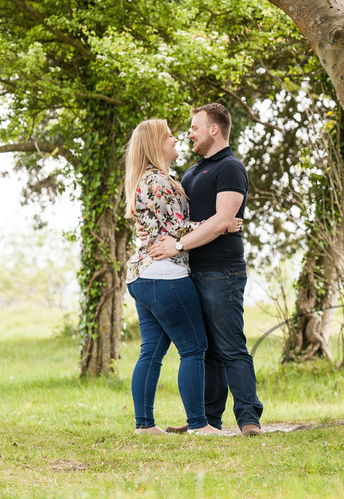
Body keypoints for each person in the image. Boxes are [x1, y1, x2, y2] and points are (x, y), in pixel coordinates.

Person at [146, 103, 264, 437]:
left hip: (220, 270)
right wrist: (153, 232)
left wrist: (179, 245)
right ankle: (208, 420)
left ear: (214, 129)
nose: (190, 133)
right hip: (191, 271)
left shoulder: (230, 168)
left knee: (229, 346)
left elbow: (224, 220)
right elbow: (180, 220)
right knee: (206, 348)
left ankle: (248, 419)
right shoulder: (193, 171)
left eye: (195, 127)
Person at [124, 118, 240, 436]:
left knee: (152, 350)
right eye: (169, 135)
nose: (177, 139)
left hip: (144, 276)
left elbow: (167, 226)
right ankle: (200, 424)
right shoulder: (158, 181)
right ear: (155, 143)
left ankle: (145, 426)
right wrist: (222, 223)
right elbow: (176, 230)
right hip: (165, 275)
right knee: (194, 348)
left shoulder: (152, 178)